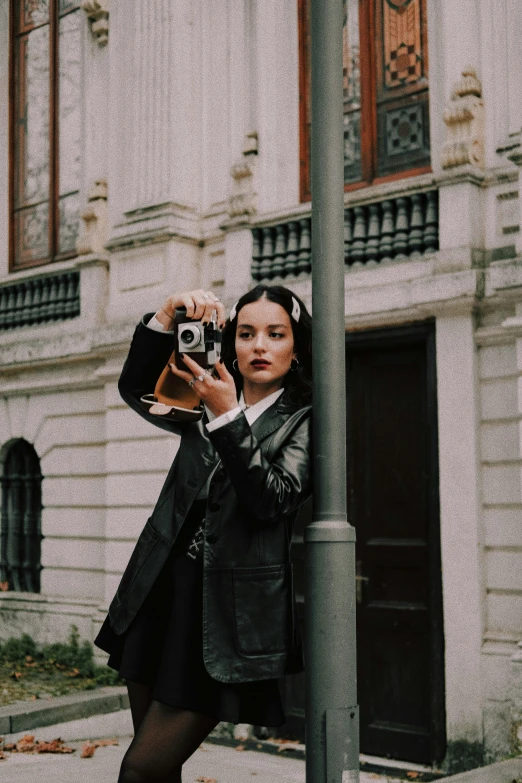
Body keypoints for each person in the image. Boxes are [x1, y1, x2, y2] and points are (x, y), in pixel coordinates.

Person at [94, 284, 313, 783]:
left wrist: (229, 415)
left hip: (222, 616)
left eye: (275, 334)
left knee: (141, 769)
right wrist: (165, 318)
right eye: (246, 333)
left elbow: (273, 499)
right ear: (230, 343)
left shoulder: (304, 419)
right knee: (157, 769)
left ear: (295, 346)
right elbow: (137, 391)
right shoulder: (204, 393)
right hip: (160, 595)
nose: (259, 346)